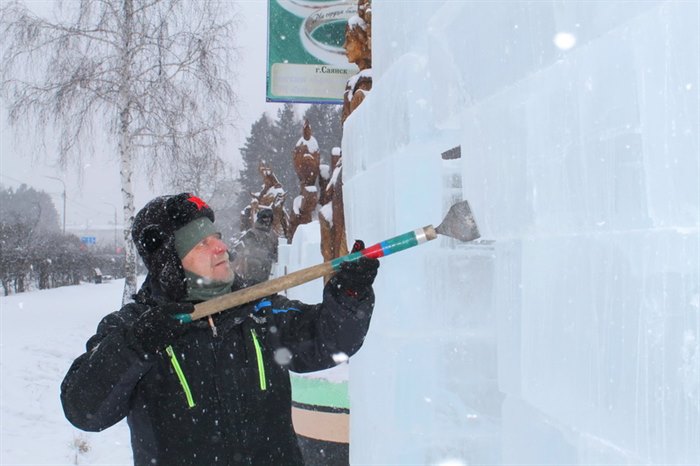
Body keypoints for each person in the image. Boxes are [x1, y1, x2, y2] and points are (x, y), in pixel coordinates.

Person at [60, 193, 379, 466]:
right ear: (171, 262)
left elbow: (332, 340)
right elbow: (84, 410)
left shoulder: (257, 309)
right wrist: (136, 345)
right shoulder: (135, 327)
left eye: (217, 236)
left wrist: (350, 294)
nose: (221, 247)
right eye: (202, 242)